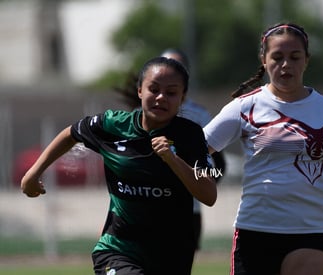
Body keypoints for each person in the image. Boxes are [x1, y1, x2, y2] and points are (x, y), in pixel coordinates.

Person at [203, 22, 323, 275]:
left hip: (314, 232)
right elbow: (196, 150)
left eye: (295, 57)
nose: (286, 65)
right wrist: (205, 176)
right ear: (263, 59)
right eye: (277, 57)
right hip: (255, 231)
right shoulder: (244, 107)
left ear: (306, 60)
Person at [21, 56, 217, 275]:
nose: (161, 97)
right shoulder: (114, 125)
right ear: (140, 91)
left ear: (182, 98)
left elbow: (209, 195)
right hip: (119, 249)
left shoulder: (190, 135)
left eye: (171, 93)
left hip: (172, 254)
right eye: (153, 89)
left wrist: (173, 160)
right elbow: (70, 134)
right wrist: (33, 172)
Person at [115, 48, 226, 260]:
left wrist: (199, 185)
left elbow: (215, 162)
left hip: (185, 210)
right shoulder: (138, 117)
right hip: (146, 207)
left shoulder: (198, 117)